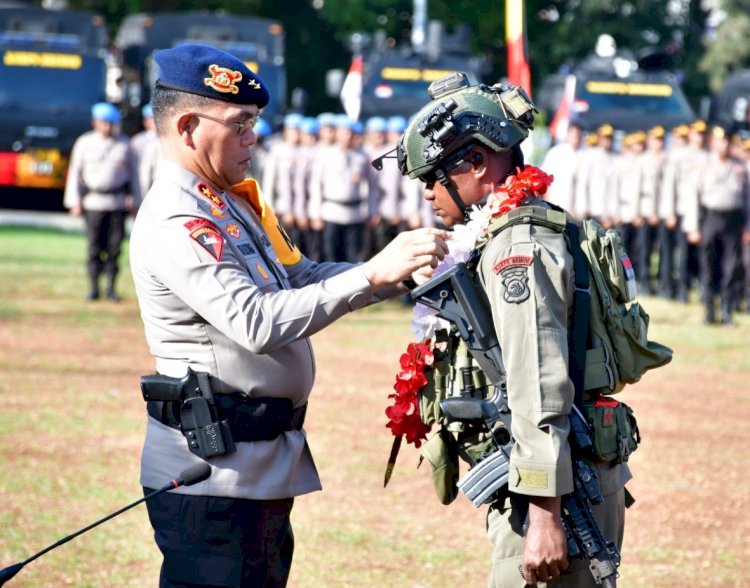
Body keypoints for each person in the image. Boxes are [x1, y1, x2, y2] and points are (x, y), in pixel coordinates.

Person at [128, 44, 448, 588]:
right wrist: (369, 276)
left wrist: (390, 271)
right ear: (187, 127)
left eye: (255, 121)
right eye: (241, 122)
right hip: (213, 478)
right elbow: (254, 322)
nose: (254, 135)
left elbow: (296, 278)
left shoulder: (225, 201)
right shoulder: (177, 216)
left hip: (254, 467)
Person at [394, 75, 631, 587]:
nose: (429, 194)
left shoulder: (515, 247)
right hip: (556, 469)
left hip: (556, 490)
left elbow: (538, 377)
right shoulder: (523, 228)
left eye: (433, 177)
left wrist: (544, 512)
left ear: (477, 164)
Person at [64, 101, 140, 301]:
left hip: (117, 203)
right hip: (93, 203)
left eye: (111, 123)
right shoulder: (85, 143)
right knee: (94, 247)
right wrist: (74, 201)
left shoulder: (125, 144)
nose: (108, 127)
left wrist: (136, 201)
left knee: (115, 248)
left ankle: (111, 288)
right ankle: (94, 287)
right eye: (104, 123)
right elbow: (75, 173)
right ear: (95, 122)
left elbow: (134, 176)